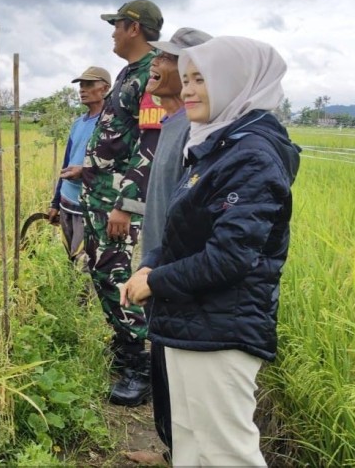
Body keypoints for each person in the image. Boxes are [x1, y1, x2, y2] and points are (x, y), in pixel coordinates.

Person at [122, 36, 301, 466]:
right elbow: (188, 232)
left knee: (225, 454)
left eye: (200, 79)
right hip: (191, 319)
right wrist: (151, 263)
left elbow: (230, 256)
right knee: (191, 445)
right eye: (186, 80)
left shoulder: (252, 155)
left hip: (221, 328)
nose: (187, 90)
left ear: (234, 81)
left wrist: (154, 280)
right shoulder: (215, 145)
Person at [72, 0, 162, 406]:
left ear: (134, 28)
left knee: (116, 276)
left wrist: (126, 204)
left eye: (117, 24)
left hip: (116, 201)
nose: (112, 32)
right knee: (103, 273)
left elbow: (150, 144)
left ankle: (140, 366)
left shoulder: (153, 74)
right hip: (99, 194)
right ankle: (126, 348)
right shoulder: (129, 72)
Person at [134, 27, 213, 456]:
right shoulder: (174, 122)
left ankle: (176, 451)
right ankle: (170, 450)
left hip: (177, 273)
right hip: (162, 266)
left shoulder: (197, 128)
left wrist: (162, 268)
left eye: (167, 59)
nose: (156, 64)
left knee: (180, 374)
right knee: (163, 364)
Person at [47, 66, 111, 265]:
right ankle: (73, 296)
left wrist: (84, 173)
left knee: (86, 263)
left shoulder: (111, 125)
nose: (82, 89)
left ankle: (87, 297)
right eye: (81, 85)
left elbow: (117, 166)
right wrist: (55, 203)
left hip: (90, 206)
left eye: (89, 84)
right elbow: (67, 163)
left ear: (105, 89)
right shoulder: (78, 123)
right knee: (70, 260)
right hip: (67, 201)